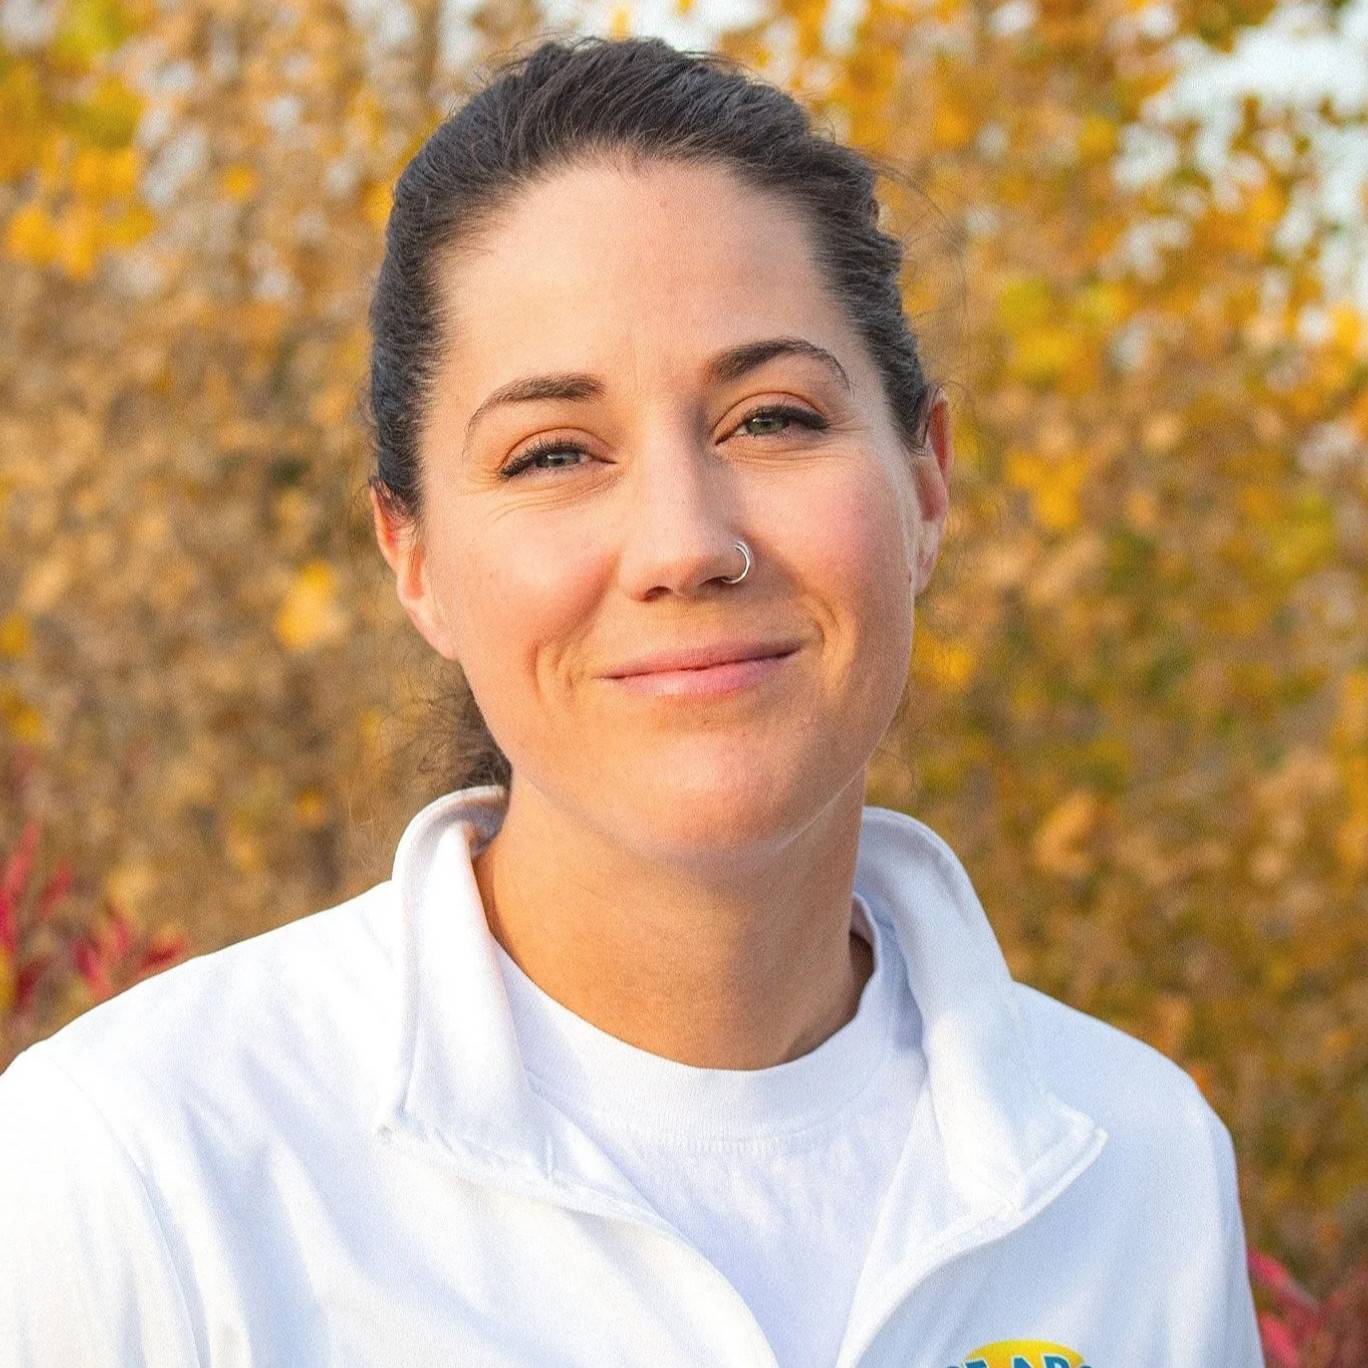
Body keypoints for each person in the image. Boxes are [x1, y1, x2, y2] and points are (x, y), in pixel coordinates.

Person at [0, 33, 1263, 1368]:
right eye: (554, 453)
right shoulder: (141, 1172)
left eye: (772, 419)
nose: (685, 543)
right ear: (413, 557)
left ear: (927, 485)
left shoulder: (1136, 1171)